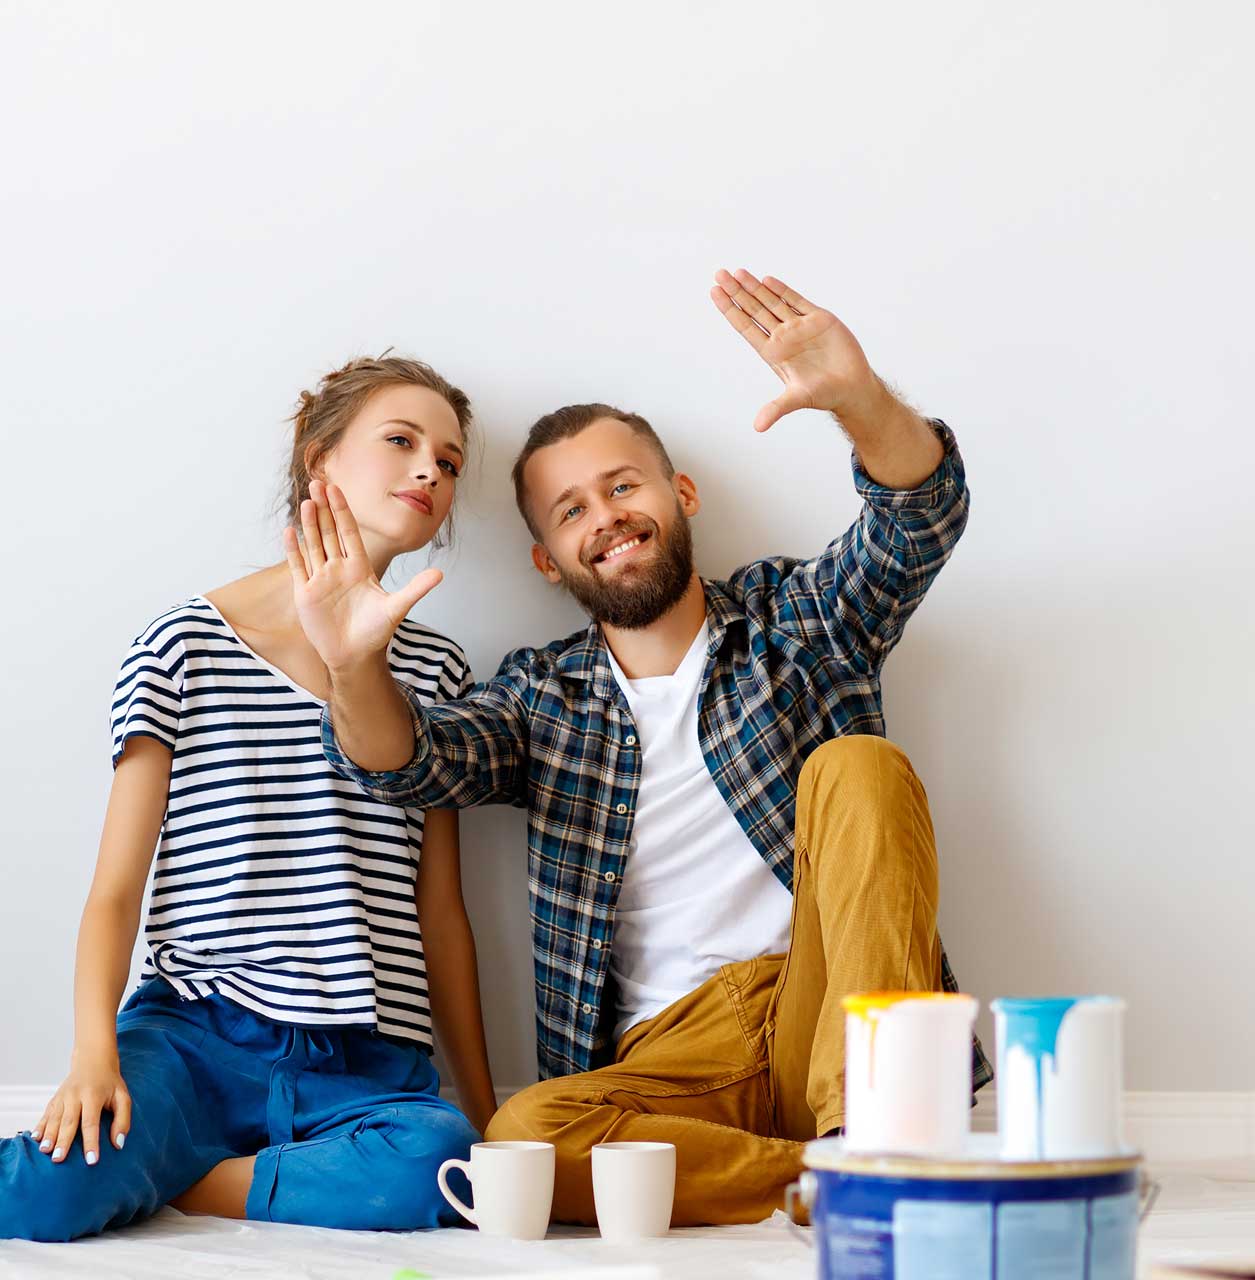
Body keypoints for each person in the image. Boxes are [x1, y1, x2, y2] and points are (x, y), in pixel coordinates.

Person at [298, 270, 989, 1226]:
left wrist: (860, 403)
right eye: (571, 510)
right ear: (548, 559)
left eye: (622, 486)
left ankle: (875, 1125)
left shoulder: (800, 620)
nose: (606, 516)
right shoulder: (542, 694)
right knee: (519, 1140)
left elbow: (915, 522)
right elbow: (410, 761)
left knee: (859, 765)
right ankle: (829, 1176)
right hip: (667, 1060)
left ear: (681, 493)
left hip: (823, 1003)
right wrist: (351, 666)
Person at [0, 356, 496, 1241]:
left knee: (444, 1169)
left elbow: (440, 911)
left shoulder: (439, 671)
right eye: (402, 441)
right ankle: (171, 1157)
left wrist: (489, 1116)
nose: (430, 469)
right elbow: (117, 887)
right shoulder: (184, 644)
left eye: (450, 461)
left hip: (365, 1061)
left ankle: (193, 1183)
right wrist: (91, 1054)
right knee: (44, 1195)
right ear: (320, 460)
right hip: (196, 1041)